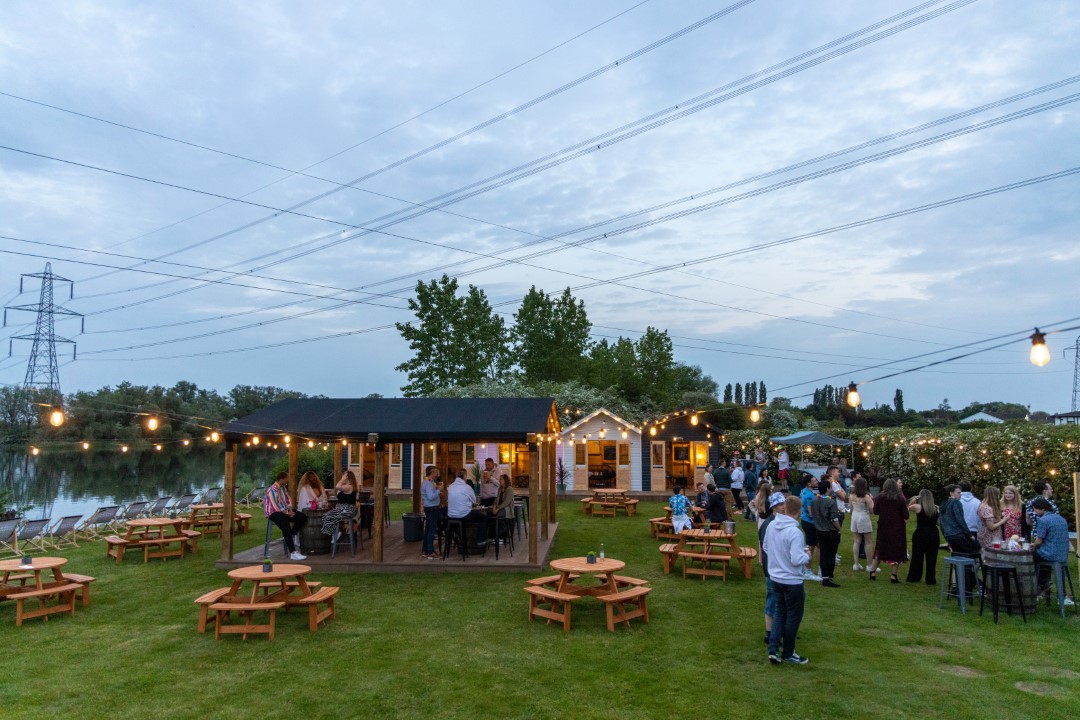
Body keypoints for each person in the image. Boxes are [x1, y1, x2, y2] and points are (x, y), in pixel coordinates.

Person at [764, 496, 811, 665]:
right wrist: (807, 555)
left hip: (776, 577)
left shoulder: (771, 525)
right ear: (799, 511)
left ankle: (773, 649)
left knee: (780, 613)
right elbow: (797, 559)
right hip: (792, 580)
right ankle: (788, 652)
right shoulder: (795, 532)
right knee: (793, 616)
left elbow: (766, 547)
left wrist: (778, 558)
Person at [1030, 497, 1073, 603]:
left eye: (1035, 509)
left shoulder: (1043, 520)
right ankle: (1050, 586)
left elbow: (1039, 541)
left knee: (1029, 557)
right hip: (1062, 555)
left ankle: (1038, 587)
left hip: (1049, 554)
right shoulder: (1061, 518)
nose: (1034, 512)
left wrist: (1032, 545)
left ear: (1043, 509)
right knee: (1041, 560)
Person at [757, 491, 786, 646]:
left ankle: (779, 630)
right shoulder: (769, 524)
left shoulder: (779, 522)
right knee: (773, 600)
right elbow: (766, 548)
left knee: (780, 601)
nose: (783, 507)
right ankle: (770, 632)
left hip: (778, 569)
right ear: (774, 507)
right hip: (773, 570)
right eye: (780, 504)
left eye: (783, 504)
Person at [867, 478, 908, 582]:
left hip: (883, 526)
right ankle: (893, 575)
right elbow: (906, 515)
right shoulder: (900, 498)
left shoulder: (880, 497)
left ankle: (872, 571)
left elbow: (875, 511)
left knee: (880, 548)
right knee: (897, 549)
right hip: (897, 528)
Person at [264, 471, 307, 560]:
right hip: (273, 512)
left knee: (302, 517)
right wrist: (287, 513)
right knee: (285, 525)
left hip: (284, 510)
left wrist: (290, 509)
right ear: (282, 479)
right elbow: (276, 505)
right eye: (286, 479)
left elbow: (287, 499)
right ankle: (293, 552)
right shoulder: (272, 490)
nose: (287, 481)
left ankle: (291, 534)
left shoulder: (283, 488)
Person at [810, 481, 843, 588]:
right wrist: (839, 528)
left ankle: (825, 576)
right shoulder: (831, 502)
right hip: (830, 531)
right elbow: (834, 519)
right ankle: (829, 576)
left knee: (823, 554)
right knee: (831, 554)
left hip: (819, 530)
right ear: (828, 489)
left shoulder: (815, 500)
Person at [906, 489, 940, 585]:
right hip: (933, 533)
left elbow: (908, 508)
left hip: (921, 533)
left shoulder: (918, 507)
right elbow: (938, 522)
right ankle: (930, 579)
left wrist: (914, 500)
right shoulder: (936, 508)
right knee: (932, 558)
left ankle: (914, 576)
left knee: (917, 556)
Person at [447, 470, 489, 547]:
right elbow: (474, 501)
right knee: (483, 518)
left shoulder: (450, 487)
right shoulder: (467, 487)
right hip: (463, 514)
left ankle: (458, 534)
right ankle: (480, 540)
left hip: (451, 515)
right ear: (465, 477)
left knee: (460, 519)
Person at [320, 470, 359, 539]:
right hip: (346, 509)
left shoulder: (349, 487)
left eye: (343, 476)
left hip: (346, 510)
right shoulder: (350, 486)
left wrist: (342, 479)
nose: (342, 477)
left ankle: (336, 534)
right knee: (329, 515)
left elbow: (337, 486)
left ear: (346, 477)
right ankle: (338, 531)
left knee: (326, 516)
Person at [848, 476, 874, 571]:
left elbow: (851, 509)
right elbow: (871, 510)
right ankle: (869, 565)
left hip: (855, 516)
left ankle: (856, 564)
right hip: (863, 517)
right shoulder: (866, 497)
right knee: (868, 542)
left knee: (856, 541)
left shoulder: (851, 496)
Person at [420, 465, 442, 559]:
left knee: (428, 529)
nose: (437, 474)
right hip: (431, 508)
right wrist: (439, 490)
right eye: (435, 472)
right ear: (431, 473)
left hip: (430, 507)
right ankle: (430, 551)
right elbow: (431, 497)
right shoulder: (428, 483)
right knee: (431, 530)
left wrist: (437, 489)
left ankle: (425, 550)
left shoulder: (430, 482)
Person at [799, 474, 820, 573]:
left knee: (816, 545)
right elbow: (811, 513)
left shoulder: (804, 491)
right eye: (814, 480)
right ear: (809, 483)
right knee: (810, 547)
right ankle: (807, 570)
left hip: (805, 520)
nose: (816, 482)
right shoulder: (809, 495)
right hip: (810, 522)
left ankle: (815, 569)